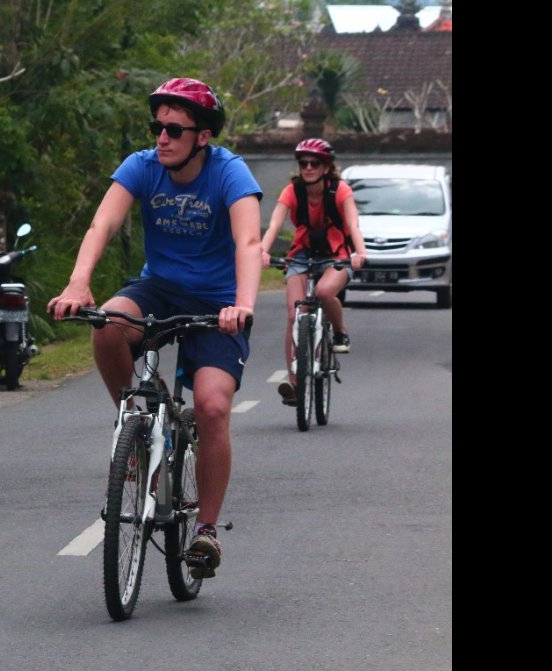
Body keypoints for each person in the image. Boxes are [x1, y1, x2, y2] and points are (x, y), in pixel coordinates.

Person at [47, 77, 262, 579]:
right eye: (156, 127)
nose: (161, 138)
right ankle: (134, 429)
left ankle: (205, 531)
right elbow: (102, 225)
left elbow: (248, 242)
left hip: (218, 301)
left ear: (202, 136)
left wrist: (243, 304)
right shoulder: (142, 167)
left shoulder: (230, 172)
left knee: (211, 406)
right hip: (159, 288)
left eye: (174, 129)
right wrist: (79, 285)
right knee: (107, 326)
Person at [259, 137, 367, 407]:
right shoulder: (292, 191)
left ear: (326, 166)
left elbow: (353, 224)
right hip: (302, 255)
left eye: (314, 163)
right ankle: (296, 382)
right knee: (295, 314)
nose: (308, 167)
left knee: (324, 291)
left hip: (336, 255)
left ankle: (340, 332)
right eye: (303, 163)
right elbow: (274, 224)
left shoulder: (340, 190)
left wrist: (360, 252)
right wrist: (262, 250)